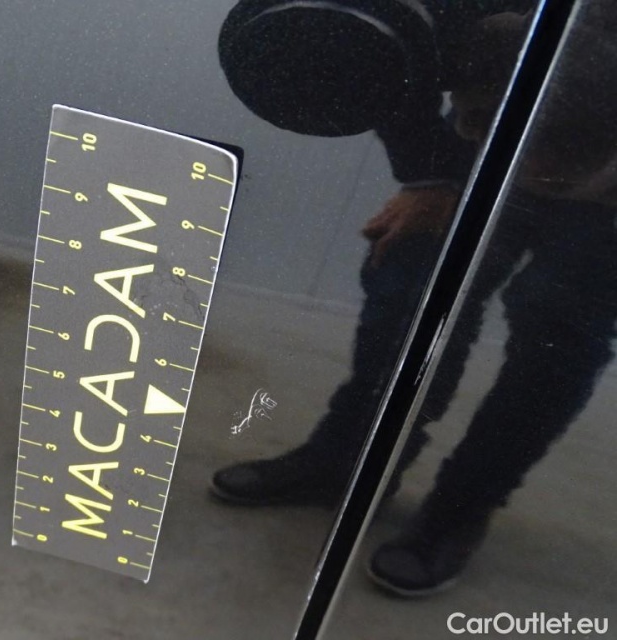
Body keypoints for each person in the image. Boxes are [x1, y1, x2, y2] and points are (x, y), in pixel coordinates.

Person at [213, 0, 617, 594]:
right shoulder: (454, 29)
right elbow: (387, 59)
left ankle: (461, 508)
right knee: (410, 272)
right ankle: (348, 460)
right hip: (520, 83)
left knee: (558, 319)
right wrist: (432, 176)